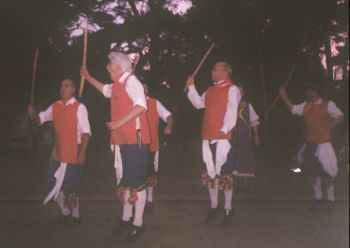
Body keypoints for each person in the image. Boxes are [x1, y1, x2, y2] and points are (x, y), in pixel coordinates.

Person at [81, 52, 150, 243]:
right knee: (125, 180)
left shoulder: (131, 81)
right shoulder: (118, 83)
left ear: (120, 67)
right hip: (122, 140)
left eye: (110, 65)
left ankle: (138, 223)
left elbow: (141, 106)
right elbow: (105, 90)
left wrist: (118, 123)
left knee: (137, 182)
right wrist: (88, 78)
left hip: (135, 139)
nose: (107, 67)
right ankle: (126, 219)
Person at [185, 61, 241, 227]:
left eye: (214, 69)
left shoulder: (233, 89)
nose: (212, 71)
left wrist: (225, 128)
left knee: (225, 173)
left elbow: (232, 108)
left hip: (222, 138)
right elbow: (197, 104)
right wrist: (191, 87)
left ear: (225, 72)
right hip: (207, 136)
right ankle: (214, 206)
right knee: (210, 173)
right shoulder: (210, 90)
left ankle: (228, 209)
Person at [28, 79, 91, 226]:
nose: (63, 88)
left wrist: (82, 154)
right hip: (57, 153)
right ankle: (65, 212)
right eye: (61, 85)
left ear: (74, 89)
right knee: (52, 184)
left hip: (73, 153)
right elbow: (39, 120)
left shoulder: (80, 107)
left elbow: (86, 133)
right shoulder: (55, 106)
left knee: (70, 188)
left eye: (67, 86)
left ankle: (75, 216)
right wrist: (33, 115)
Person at [279, 82, 344, 204]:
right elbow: (293, 109)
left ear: (315, 91)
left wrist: (334, 123)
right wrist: (283, 96)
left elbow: (341, 115)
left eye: (309, 90)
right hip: (311, 143)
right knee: (313, 173)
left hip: (325, 144)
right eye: (307, 90)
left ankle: (330, 200)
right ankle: (318, 198)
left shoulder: (328, 104)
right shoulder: (306, 105)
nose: (307, 92)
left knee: (329, 173)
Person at [143, 84, 173, 212]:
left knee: (150, 174)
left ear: (147, 90)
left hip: (151, 145)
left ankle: (149, 200)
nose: (143, 90)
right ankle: (138, 201)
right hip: (135, 146)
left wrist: (169, 126)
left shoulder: (154, 103)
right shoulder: (131, 103)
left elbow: (168, 116)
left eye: (145, 88)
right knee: (137, 174)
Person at [231, 85, 260, 198]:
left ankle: (246, 187)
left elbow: (254, 122)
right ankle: (236, 187)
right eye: (238, 91)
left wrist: (256, 136)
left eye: (242, 91)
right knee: (234, 162)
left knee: (246, 160)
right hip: (234, 138)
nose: (240, 93)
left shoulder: (248, 106)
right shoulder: (230, 106)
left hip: (245, 138)